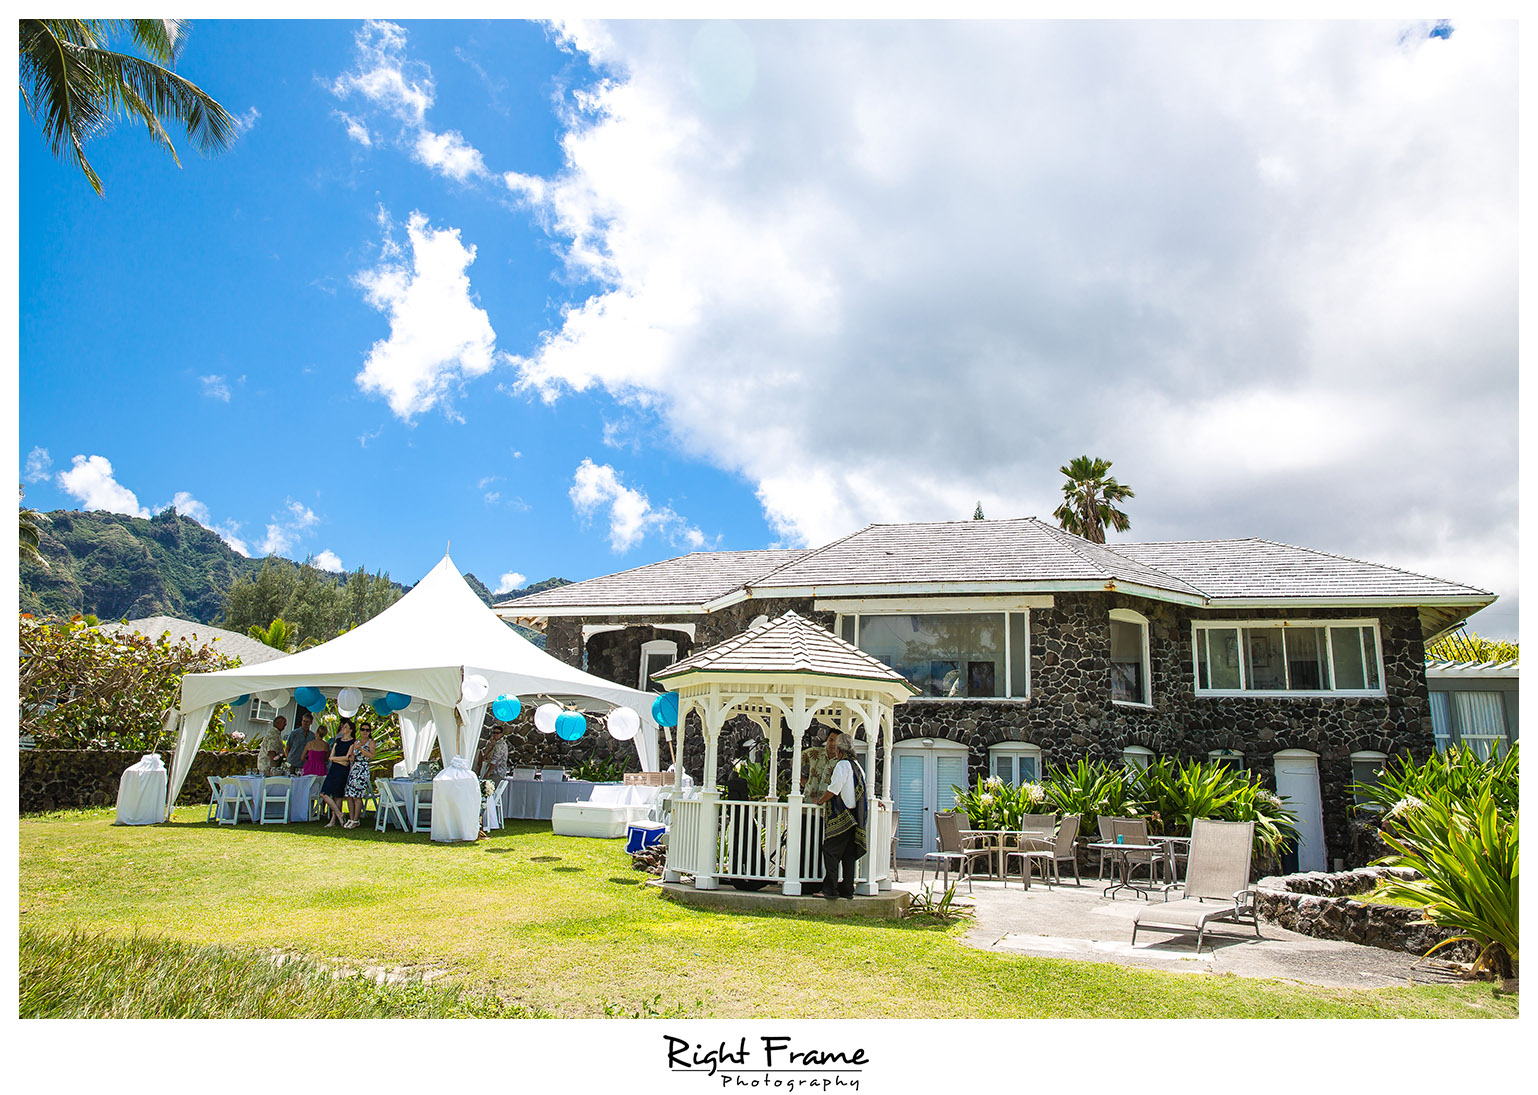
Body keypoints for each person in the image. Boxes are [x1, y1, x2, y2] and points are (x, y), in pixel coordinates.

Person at [809, 730, 867, 900]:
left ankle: (830, 889)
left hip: (843, 816)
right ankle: (847, 890)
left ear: (839, 751)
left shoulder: (842, 765)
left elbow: (834, 789)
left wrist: (820, 801)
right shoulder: (858, 766)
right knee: (848, 856)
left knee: (830, 851)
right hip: (855, 817)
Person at [319, 719, 355, 827]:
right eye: (343, 727)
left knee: (338, 796)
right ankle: (339, 814)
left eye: (345, 727)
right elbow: (330, 757)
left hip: (343, 770)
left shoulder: (353, 742)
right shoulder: (337, 741)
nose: (343, 728)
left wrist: (336, 759)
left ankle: (334, 821)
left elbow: (347, 758)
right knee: (323, 793)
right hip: (334, 768)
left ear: (350, 730)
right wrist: (339, 759)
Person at [343, 723, 375, 830]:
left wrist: (361, 749)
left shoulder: (371, 742)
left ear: (369, 732)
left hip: (363, 768)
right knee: (349, 795)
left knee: (358, 795)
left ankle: (356, 819)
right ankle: (351, 818)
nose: (364, 732)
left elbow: (371, 756)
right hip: (355, 768)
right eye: (362, 730)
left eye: (367, 730)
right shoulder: (356, 742)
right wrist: (351, 756)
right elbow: (352, 756)